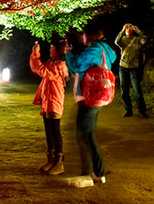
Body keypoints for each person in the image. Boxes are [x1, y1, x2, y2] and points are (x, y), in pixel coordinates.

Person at [65, 24, 117, 188]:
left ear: (91, 35)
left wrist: (68, 53)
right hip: (99, 95)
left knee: (85, 133)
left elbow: (77, 65)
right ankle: (95, 172)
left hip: (92, 96)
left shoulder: (95, 49)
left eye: (84, 34)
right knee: (85, 132)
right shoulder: (105, 48)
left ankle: (96, 172)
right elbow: (112, 59)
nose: (82, 37)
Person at [30, 36, 70, 175]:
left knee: (55, 130)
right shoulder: (52, 63)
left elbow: (40, 70)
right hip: (48, 100)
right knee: (48, 130)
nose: (50, 50)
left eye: (52, 48)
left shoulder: (58, 65)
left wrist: (35, 54)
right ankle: (51, 160)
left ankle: (59, 162)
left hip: (54, 100)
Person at [115, 23, 149, 118]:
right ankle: (128, 110)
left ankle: (142, 111)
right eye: (127, 28)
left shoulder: (137, 40)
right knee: (124, 91)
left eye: (130, 27)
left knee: (137, 90)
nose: (128, 29)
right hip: (123, 66)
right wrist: (122, 30)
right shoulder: (123, 40)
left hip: (134, 67)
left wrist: (137, 30)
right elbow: (116, 41)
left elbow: (144, 39)